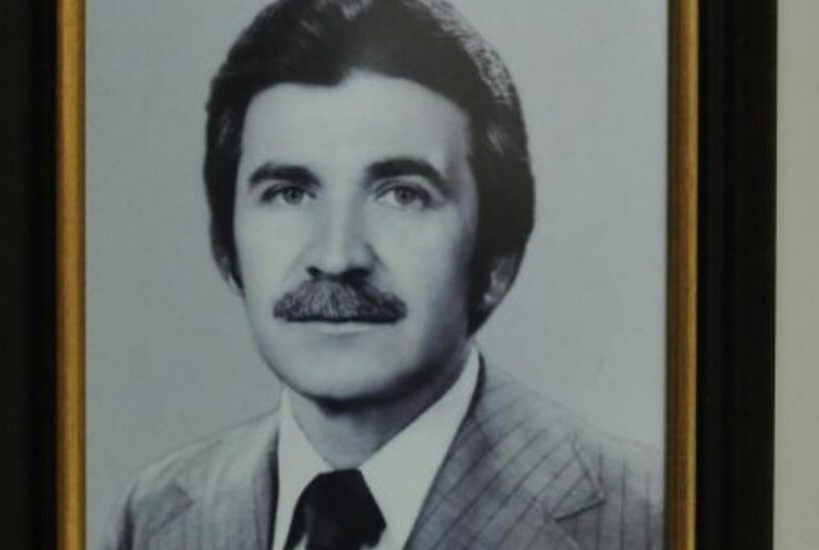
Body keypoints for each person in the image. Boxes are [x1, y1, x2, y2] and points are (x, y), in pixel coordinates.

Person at [103, 0, 663, 548]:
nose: (337, 256)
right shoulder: (154, 517)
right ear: (227, 248)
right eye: (290, 193)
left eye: (402, 195)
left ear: (496, 260)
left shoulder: (654, 518)